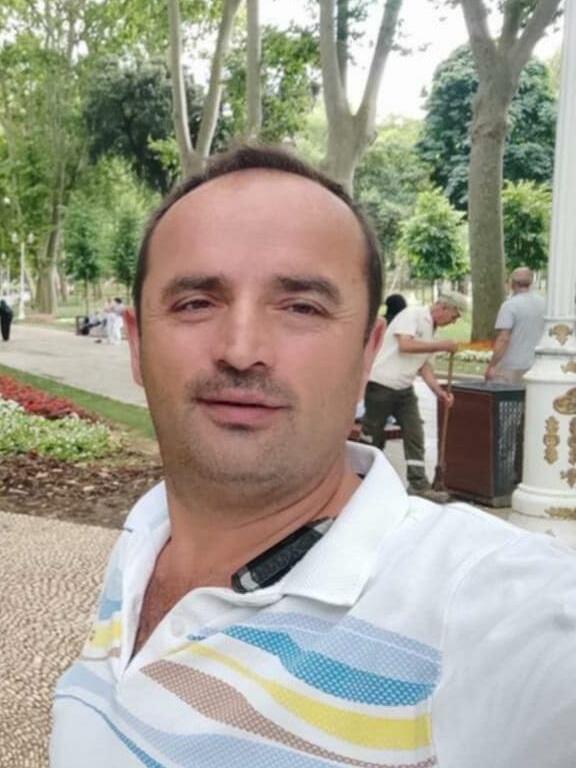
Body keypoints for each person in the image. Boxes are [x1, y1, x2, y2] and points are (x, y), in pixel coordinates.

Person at [51, 146, 576, 768]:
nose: (241, 349)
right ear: (137, 345)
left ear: (366, 353)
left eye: (302, 307)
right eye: (196, 303)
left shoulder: (475, 609)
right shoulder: (148, 531)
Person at [361, 295, 464, 502]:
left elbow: (423, 366)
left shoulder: (432, 331)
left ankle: (418, 483)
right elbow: (405, 345)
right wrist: (440, 346)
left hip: (404, 388)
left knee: (414, 432)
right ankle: (363, 476)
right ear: (443, 308)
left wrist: (439, 392)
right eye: (454, 317)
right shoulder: (413, 315)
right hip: (382, 384)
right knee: (372, 435)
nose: (453, 322)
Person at [484, 266, 545, 384]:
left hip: (512, 364)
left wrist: (492, 365)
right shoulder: (544, 304)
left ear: (512, 283)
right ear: (531, 282)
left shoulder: (510, 306)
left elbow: (504, 338)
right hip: (536, 364)